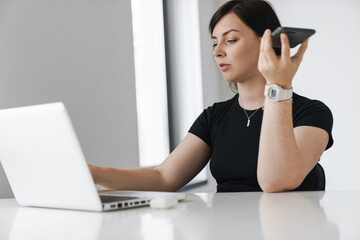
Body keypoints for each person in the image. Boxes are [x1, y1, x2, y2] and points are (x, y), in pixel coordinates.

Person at [89, 0, 333, 193]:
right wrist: (95, 174)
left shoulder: (311, 113)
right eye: (214, 43)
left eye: (231, 40)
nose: (218, 52)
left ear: (267, 42)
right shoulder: (214, 117)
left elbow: (276, 181)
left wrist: (278, 85)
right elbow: (163, 178)